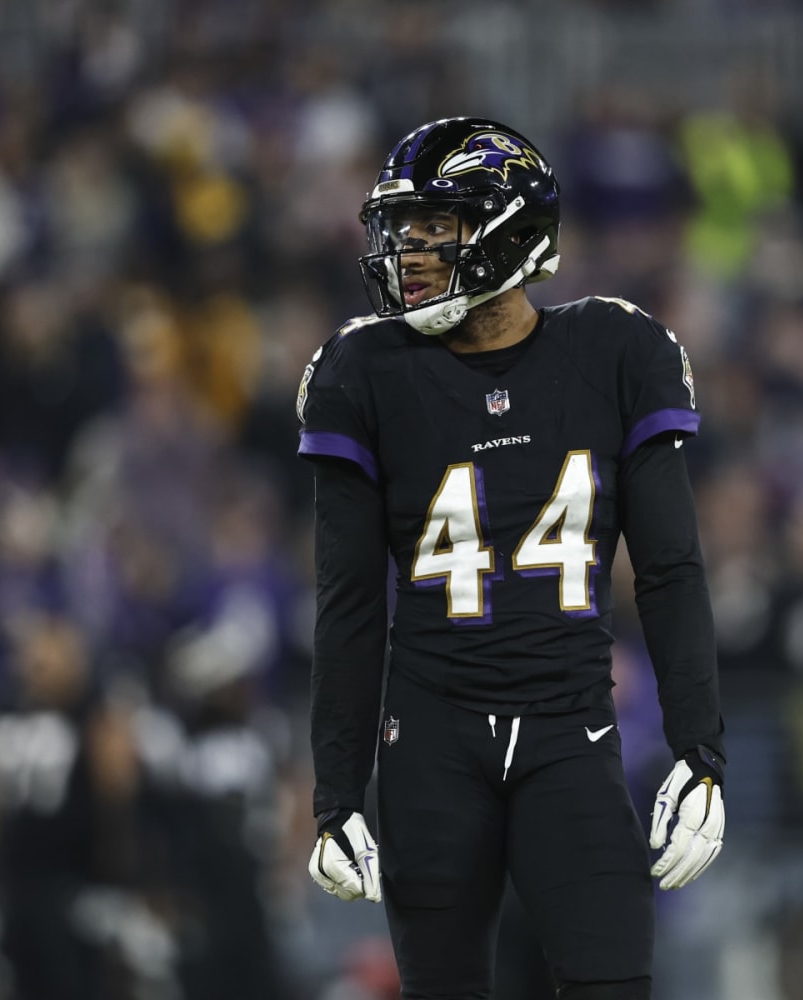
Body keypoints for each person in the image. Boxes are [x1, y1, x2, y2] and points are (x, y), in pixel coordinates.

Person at [296, 116, 727, 999]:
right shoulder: (362, 370)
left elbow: (672, 569)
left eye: (436, 227)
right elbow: (347, 604)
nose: (410, 251)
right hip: (429, 740)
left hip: (573, 727)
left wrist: (701, 748)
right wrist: (334, 792)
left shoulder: (615, 350)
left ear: (511, 230)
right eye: (403, 229)